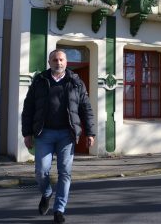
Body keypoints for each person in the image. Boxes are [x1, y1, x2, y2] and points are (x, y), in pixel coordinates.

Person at [22, 49, 95, 223]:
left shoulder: (76, 82)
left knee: (65, 173)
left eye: (61, 59)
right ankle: (46, 193)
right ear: (49, 62)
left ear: (66, 62)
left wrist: (90, 132)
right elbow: (28, 108)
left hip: (66, 134)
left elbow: (86, 108)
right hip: (44, 133)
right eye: (55, 60)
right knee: (41, 171)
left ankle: (59, 209)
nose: (58, 62)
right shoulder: (39, 80)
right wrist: (27, 133)